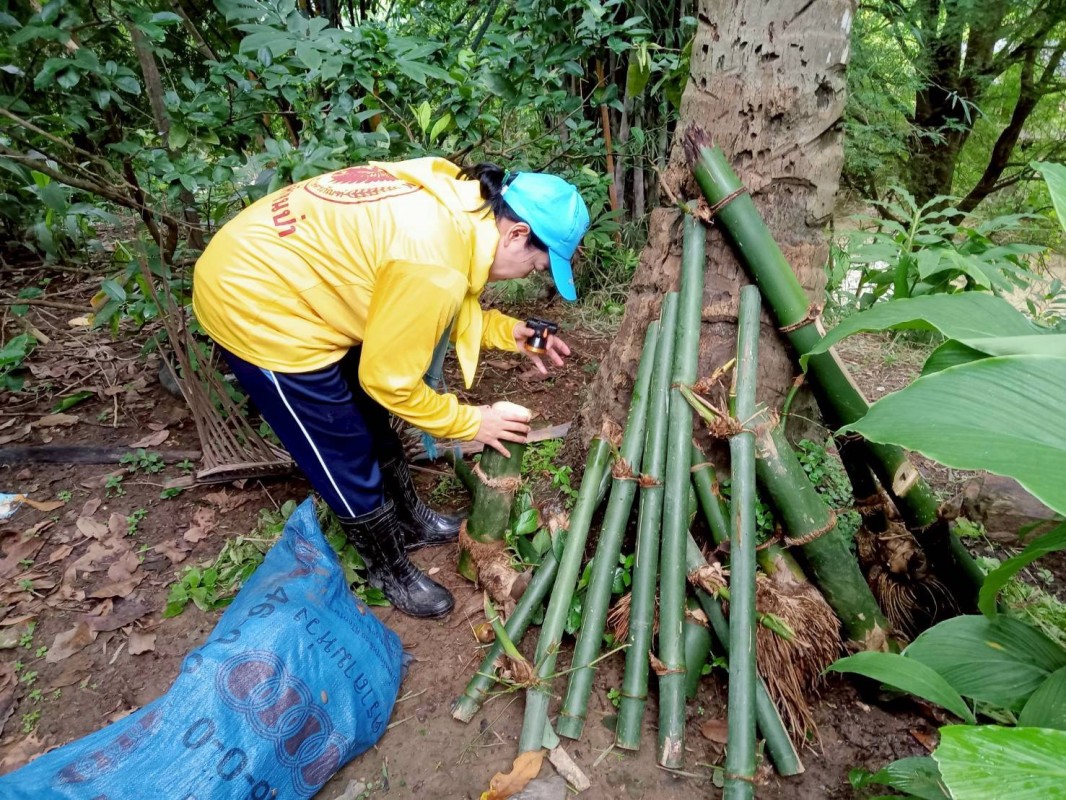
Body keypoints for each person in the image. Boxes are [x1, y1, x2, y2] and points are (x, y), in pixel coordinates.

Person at [191, 157, 590, 618]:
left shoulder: (459, 201)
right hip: (256, 300)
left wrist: (505, 332)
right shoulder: (432, 259)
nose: (529, 276)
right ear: (517, 233)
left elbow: (433, 295)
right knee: (342, 442)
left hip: (292, 270)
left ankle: (408, 518)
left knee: (370, 415)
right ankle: (388, 567)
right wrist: (470, 422)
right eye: (537, 267)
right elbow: (391, 376)